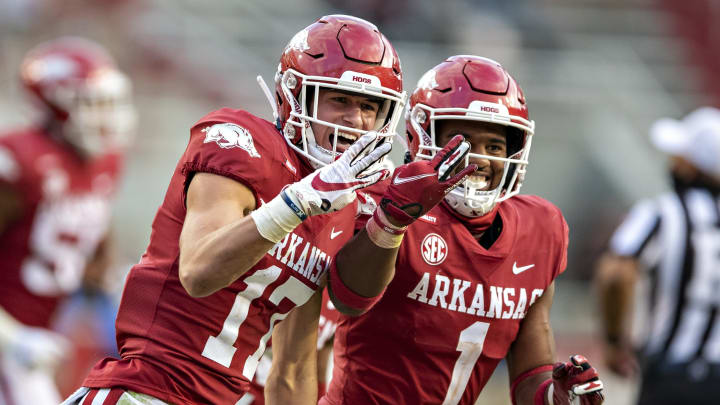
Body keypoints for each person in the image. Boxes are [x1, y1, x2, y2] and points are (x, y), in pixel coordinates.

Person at [61, 14, 407, 405]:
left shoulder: (340, 206)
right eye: (340, 100)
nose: (355, 119)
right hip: (146, 391)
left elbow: (292, 369)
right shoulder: (242, 143)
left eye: (369, 106)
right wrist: (298, 202)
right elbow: (199, 272)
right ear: (294, 96)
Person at [317, 55, 606, 405]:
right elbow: (348, 297)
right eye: (464, 141)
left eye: (495, 146)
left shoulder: (540, 228)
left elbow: (531, 375)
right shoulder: (381, 200)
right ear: (423, 137)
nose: (480, 159)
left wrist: (557, 398)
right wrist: (392, 220)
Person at [0, 37, 136, 405]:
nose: (107, 116)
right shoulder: (18, 160)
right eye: (92, 104)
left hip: (40, 337)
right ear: (54, 104)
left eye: (110, 103)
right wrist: (10, 337)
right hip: (12, 338)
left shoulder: (106, 162)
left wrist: (111, 283)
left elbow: (92, 238)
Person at [596, 107, 720, 404]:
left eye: (679, 157)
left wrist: (614, 342)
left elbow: (615, 275)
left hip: (672, 378)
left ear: (692, 166)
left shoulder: (662, 213)